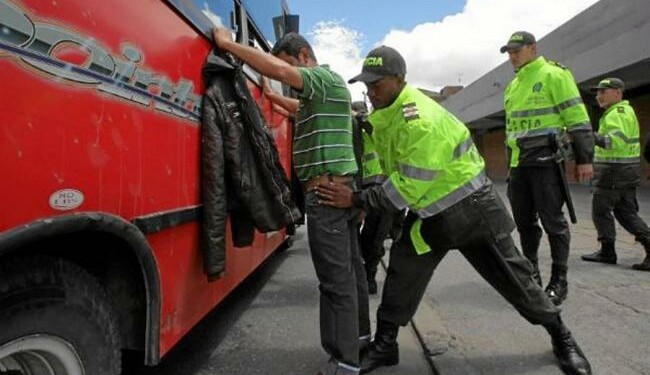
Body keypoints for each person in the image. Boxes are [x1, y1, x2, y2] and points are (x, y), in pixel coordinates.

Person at [315, 46, 592, 375]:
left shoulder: (420, 120)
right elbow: (379, 155)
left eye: (379, 84)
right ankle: (385, 345)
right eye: (368, 85)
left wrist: (356, 200)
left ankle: (562, 336)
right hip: (430, 218)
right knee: (401, 277)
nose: (372, 92)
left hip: (473, 213)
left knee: (518, 283)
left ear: (400, 80)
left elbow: (403, 190)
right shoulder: (383, 116)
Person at [211, 28, 370, 375]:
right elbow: (297, 106)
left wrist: (226, 45)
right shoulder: (325, 93)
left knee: (334, 282)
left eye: (286, 65)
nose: (284, 76)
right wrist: (270, 95)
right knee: (352, 273)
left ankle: (343, 363)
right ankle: (359, 340)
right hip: (340, 191)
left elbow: (281, 73)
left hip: (326, 196)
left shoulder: (322, 78)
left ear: (303, 57)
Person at [501, 31, 594, 305]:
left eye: (517, 50)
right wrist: (509, 168)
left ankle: (559, 280)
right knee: (524, 223)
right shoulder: (513, 86)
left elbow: (576, 117)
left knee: (553, 222)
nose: (512, 56)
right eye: (509, 52)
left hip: (545, 162)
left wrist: (584, 158)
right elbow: (511, 132)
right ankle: (532, 276)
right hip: (519, 166)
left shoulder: (554, 75)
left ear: (533, 48)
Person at [581, 78, 650, 271]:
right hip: (625, 172)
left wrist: (588, 135)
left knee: (601, 211)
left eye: (604, 91)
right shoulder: (620, 112)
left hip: (614, 173)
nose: (599, 95)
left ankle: (607, 252)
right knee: (626, 212)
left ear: (618, 93)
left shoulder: (617, 114)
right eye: (597, 92)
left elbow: (613, 142)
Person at [351, 101, 395, 294]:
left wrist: (359, 116)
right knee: (361, 233)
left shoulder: (370, 123)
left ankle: (369, 275)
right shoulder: (351, 129)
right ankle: (361, 271)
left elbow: (371, 124)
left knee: (376, 236)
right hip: (361, 187)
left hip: (381, 186)